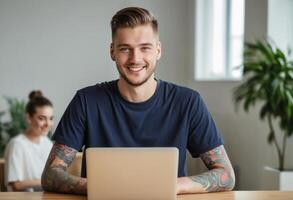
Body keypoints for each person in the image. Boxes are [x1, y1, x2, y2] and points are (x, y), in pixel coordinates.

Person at [41, 7, 235, 195]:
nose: (135, 58)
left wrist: (172, 186)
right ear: (112, 52)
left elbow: (226, 175)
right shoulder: (86, 101)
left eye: (145, 48)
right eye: (125, 49)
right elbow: (51, 175)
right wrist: (101, 188)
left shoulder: (188, 102)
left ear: (158, 50)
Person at [4, 91, 54, 192]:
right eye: (42, 118)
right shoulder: (17, 144)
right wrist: (48, 181)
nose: (48, 124)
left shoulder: (47, 143)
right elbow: (16, 185)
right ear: (29, 118)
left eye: (51, 118)